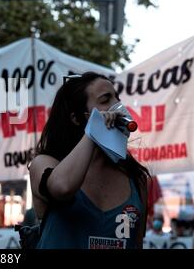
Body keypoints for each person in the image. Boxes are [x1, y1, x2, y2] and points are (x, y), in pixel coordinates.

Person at [29, 72, 150, 249]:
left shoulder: (135, 178)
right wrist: (94, 133)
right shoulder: (45, 163)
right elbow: (62, 187)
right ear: (77, 118)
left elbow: (136, 244)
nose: (117, 106)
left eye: (117, 98)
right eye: (105, 100)